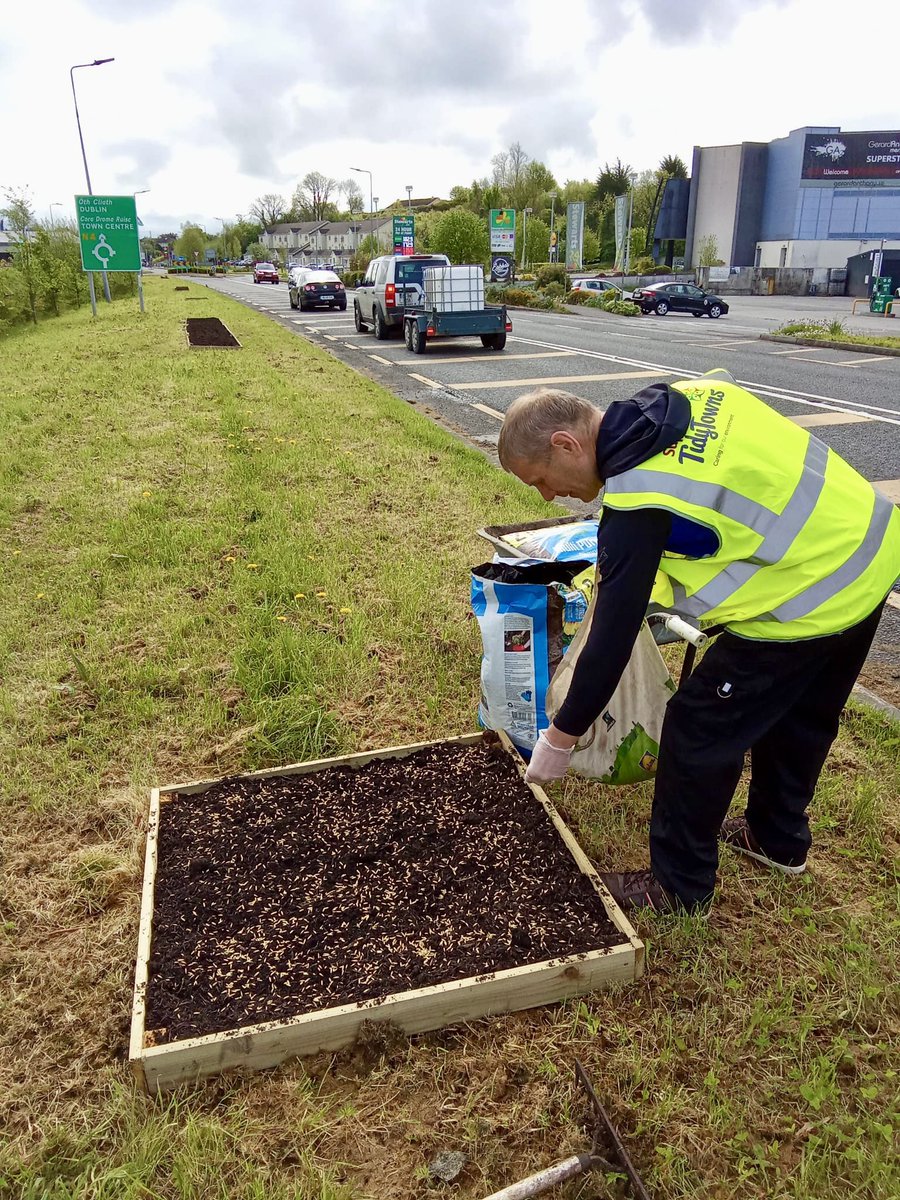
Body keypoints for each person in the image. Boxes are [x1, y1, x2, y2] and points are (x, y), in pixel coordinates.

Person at [497, 373, 900, 914]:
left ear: (565, 444)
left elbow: (613, 636)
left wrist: (560, 738)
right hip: (870, 555)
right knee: (801, 713)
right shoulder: (695, 394)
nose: (548, 494)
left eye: (540, 479)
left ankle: (678, 888)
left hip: (808, 599)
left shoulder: (639, 501)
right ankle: (777, 839)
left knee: (696, 730)